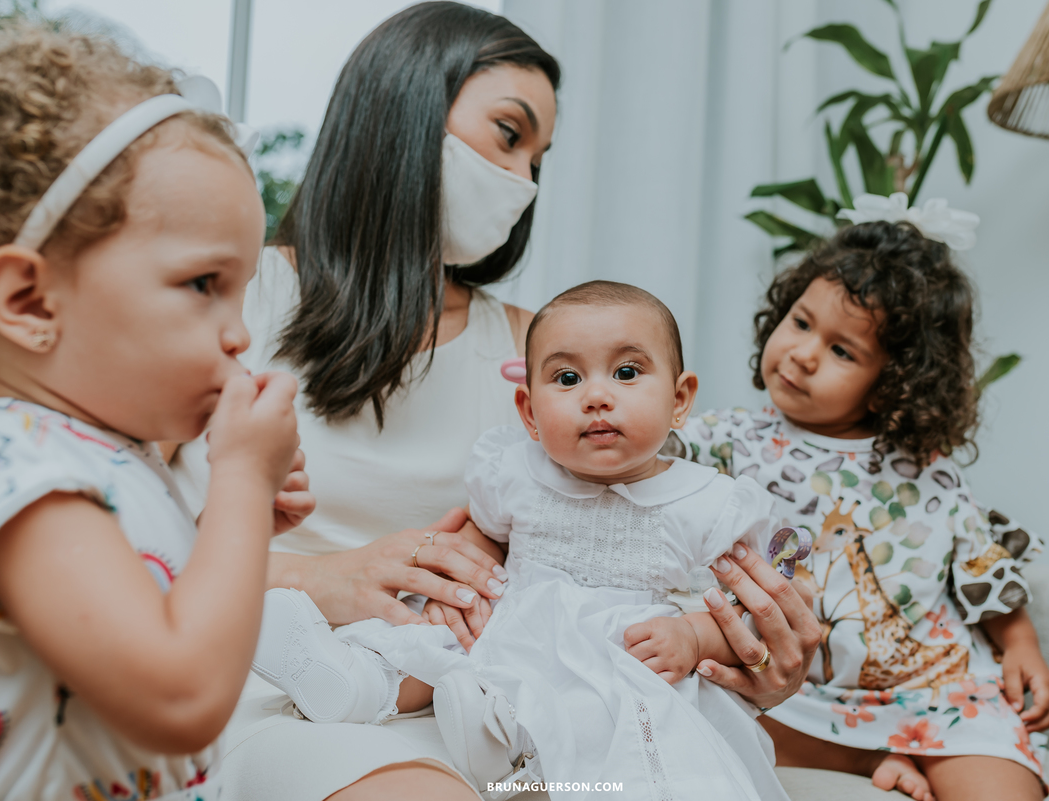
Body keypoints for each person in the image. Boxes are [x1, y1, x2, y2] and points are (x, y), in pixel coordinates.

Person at [172, 4, 819, 798]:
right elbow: (125, 545)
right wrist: (323, 579)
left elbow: (658, 528)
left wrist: (738, 648)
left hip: (491, 700)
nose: (522, 181)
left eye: (539, 161)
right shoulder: (239, 300)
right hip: (274, 684)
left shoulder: (542, 358)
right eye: (510, 136)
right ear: (403, 106)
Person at [253, 281, 803, 800]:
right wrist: (459, 590)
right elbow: (484, 538)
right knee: (428, 641)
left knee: (614, 727)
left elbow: (746, 605)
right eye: (567, 380)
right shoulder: (515, 470)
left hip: (621, 654)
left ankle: (505, 753)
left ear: (681, 399)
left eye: (627, 372)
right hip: (510, 622)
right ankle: (352, 683)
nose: (596, 396)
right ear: (529, 412)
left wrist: (693, 637)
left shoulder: (711, 501)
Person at [0, 24, 309, 799]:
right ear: (28, 299)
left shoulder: (90, 449)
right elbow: (180, 695)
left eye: (242, 289)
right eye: (202, 284)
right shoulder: (18, 475)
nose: (240, 331)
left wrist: (225, 509)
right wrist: (243, 486)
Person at [674, 211, 1049, 801]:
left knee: (1006, 788)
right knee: (706, 710)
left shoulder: (925, 468)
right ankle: (874, 756)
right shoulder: (725, 440)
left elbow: (980, 563)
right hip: (793, 691)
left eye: (842, 351)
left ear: (895, 381)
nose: (802, 354)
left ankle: (899, 752)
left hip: (937, 690)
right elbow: (647, 459)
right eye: (800, 322)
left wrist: (1021, 644)